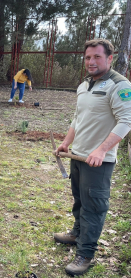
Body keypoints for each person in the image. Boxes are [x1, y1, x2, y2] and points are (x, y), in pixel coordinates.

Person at [54, 38, 131, 276]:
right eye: (88, 57)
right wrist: (67, 142)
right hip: (78, 157)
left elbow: (126, 120)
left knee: (94, 208)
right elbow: (78, 119)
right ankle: (77, 234)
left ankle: (85, 254)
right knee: (79, 199)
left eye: (97, 57)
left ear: (109, 58)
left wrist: (102, 149)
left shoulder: (119, 85)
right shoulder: (84, 85)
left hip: (98, 162)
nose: (91, 61)